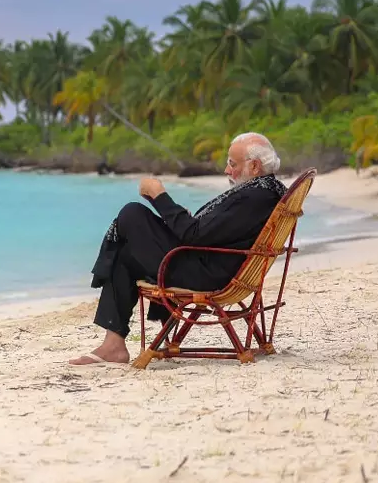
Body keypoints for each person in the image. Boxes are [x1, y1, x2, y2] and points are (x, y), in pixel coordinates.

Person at [68, 132, 287, 366]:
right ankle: (114, 346)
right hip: (211, 264)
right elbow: (211, 232)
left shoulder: (255, 196)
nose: (226, 170)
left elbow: (194, 235)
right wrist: (182, 219)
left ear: (254, 166)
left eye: (232, 164)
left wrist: (158, 196)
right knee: (125, 253)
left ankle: (114, 339)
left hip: (207, 275)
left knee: (132, 213)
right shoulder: (265, 191)